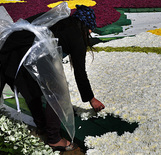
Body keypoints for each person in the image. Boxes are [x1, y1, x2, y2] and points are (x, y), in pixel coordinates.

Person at [0, 4, 105, 151]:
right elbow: (80, 72)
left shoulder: (61, 22)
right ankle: (54, 138)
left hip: (9, 49)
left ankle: (42, 127)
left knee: (32, 90)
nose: (89, 33)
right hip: (21, 52)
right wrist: (91, 99)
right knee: (57, 91)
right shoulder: (76, 35)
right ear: (86, 26)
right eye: (89, 30)